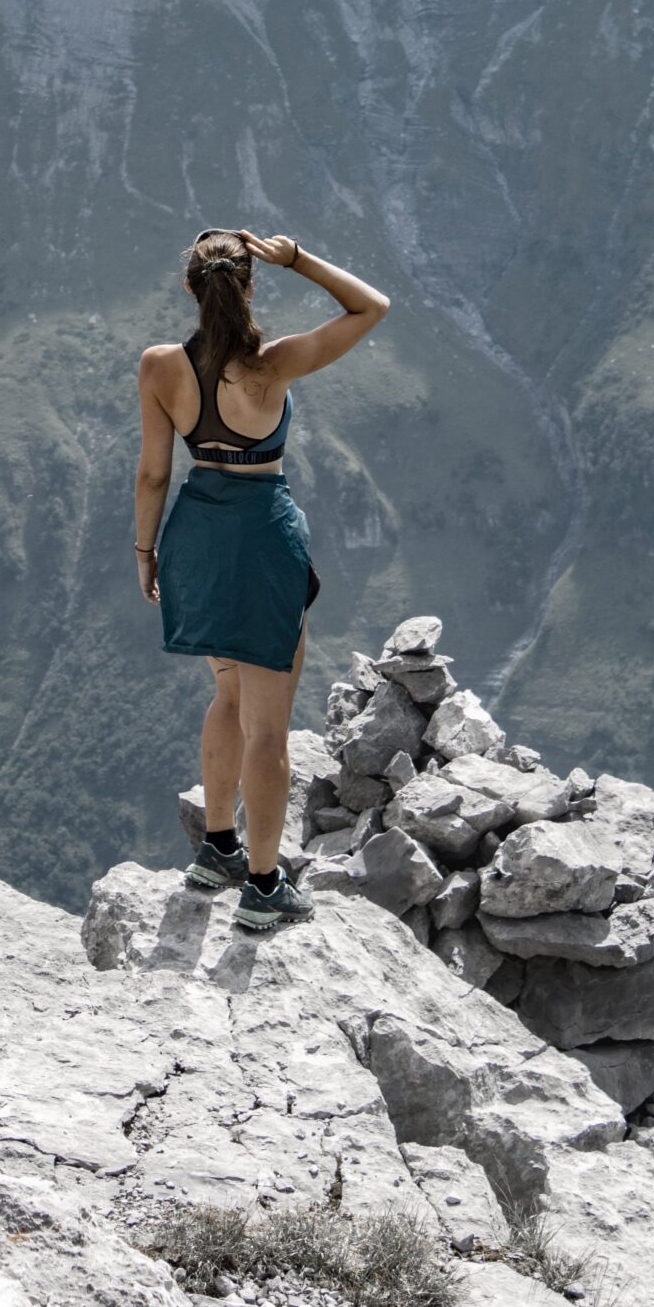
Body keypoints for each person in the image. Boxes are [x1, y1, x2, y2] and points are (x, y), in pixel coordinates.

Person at [134, 227, 390, 933]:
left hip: (195, 538)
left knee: (226, 692)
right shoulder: (271, 367)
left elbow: (154, 471)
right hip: (262, 541)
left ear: (190, 289)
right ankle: (264, 886)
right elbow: (371, 308)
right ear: (248, 286)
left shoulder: (160, 367)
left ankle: (218, 848)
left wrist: (144, 552)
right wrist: (300, 258)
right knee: (269, 730)